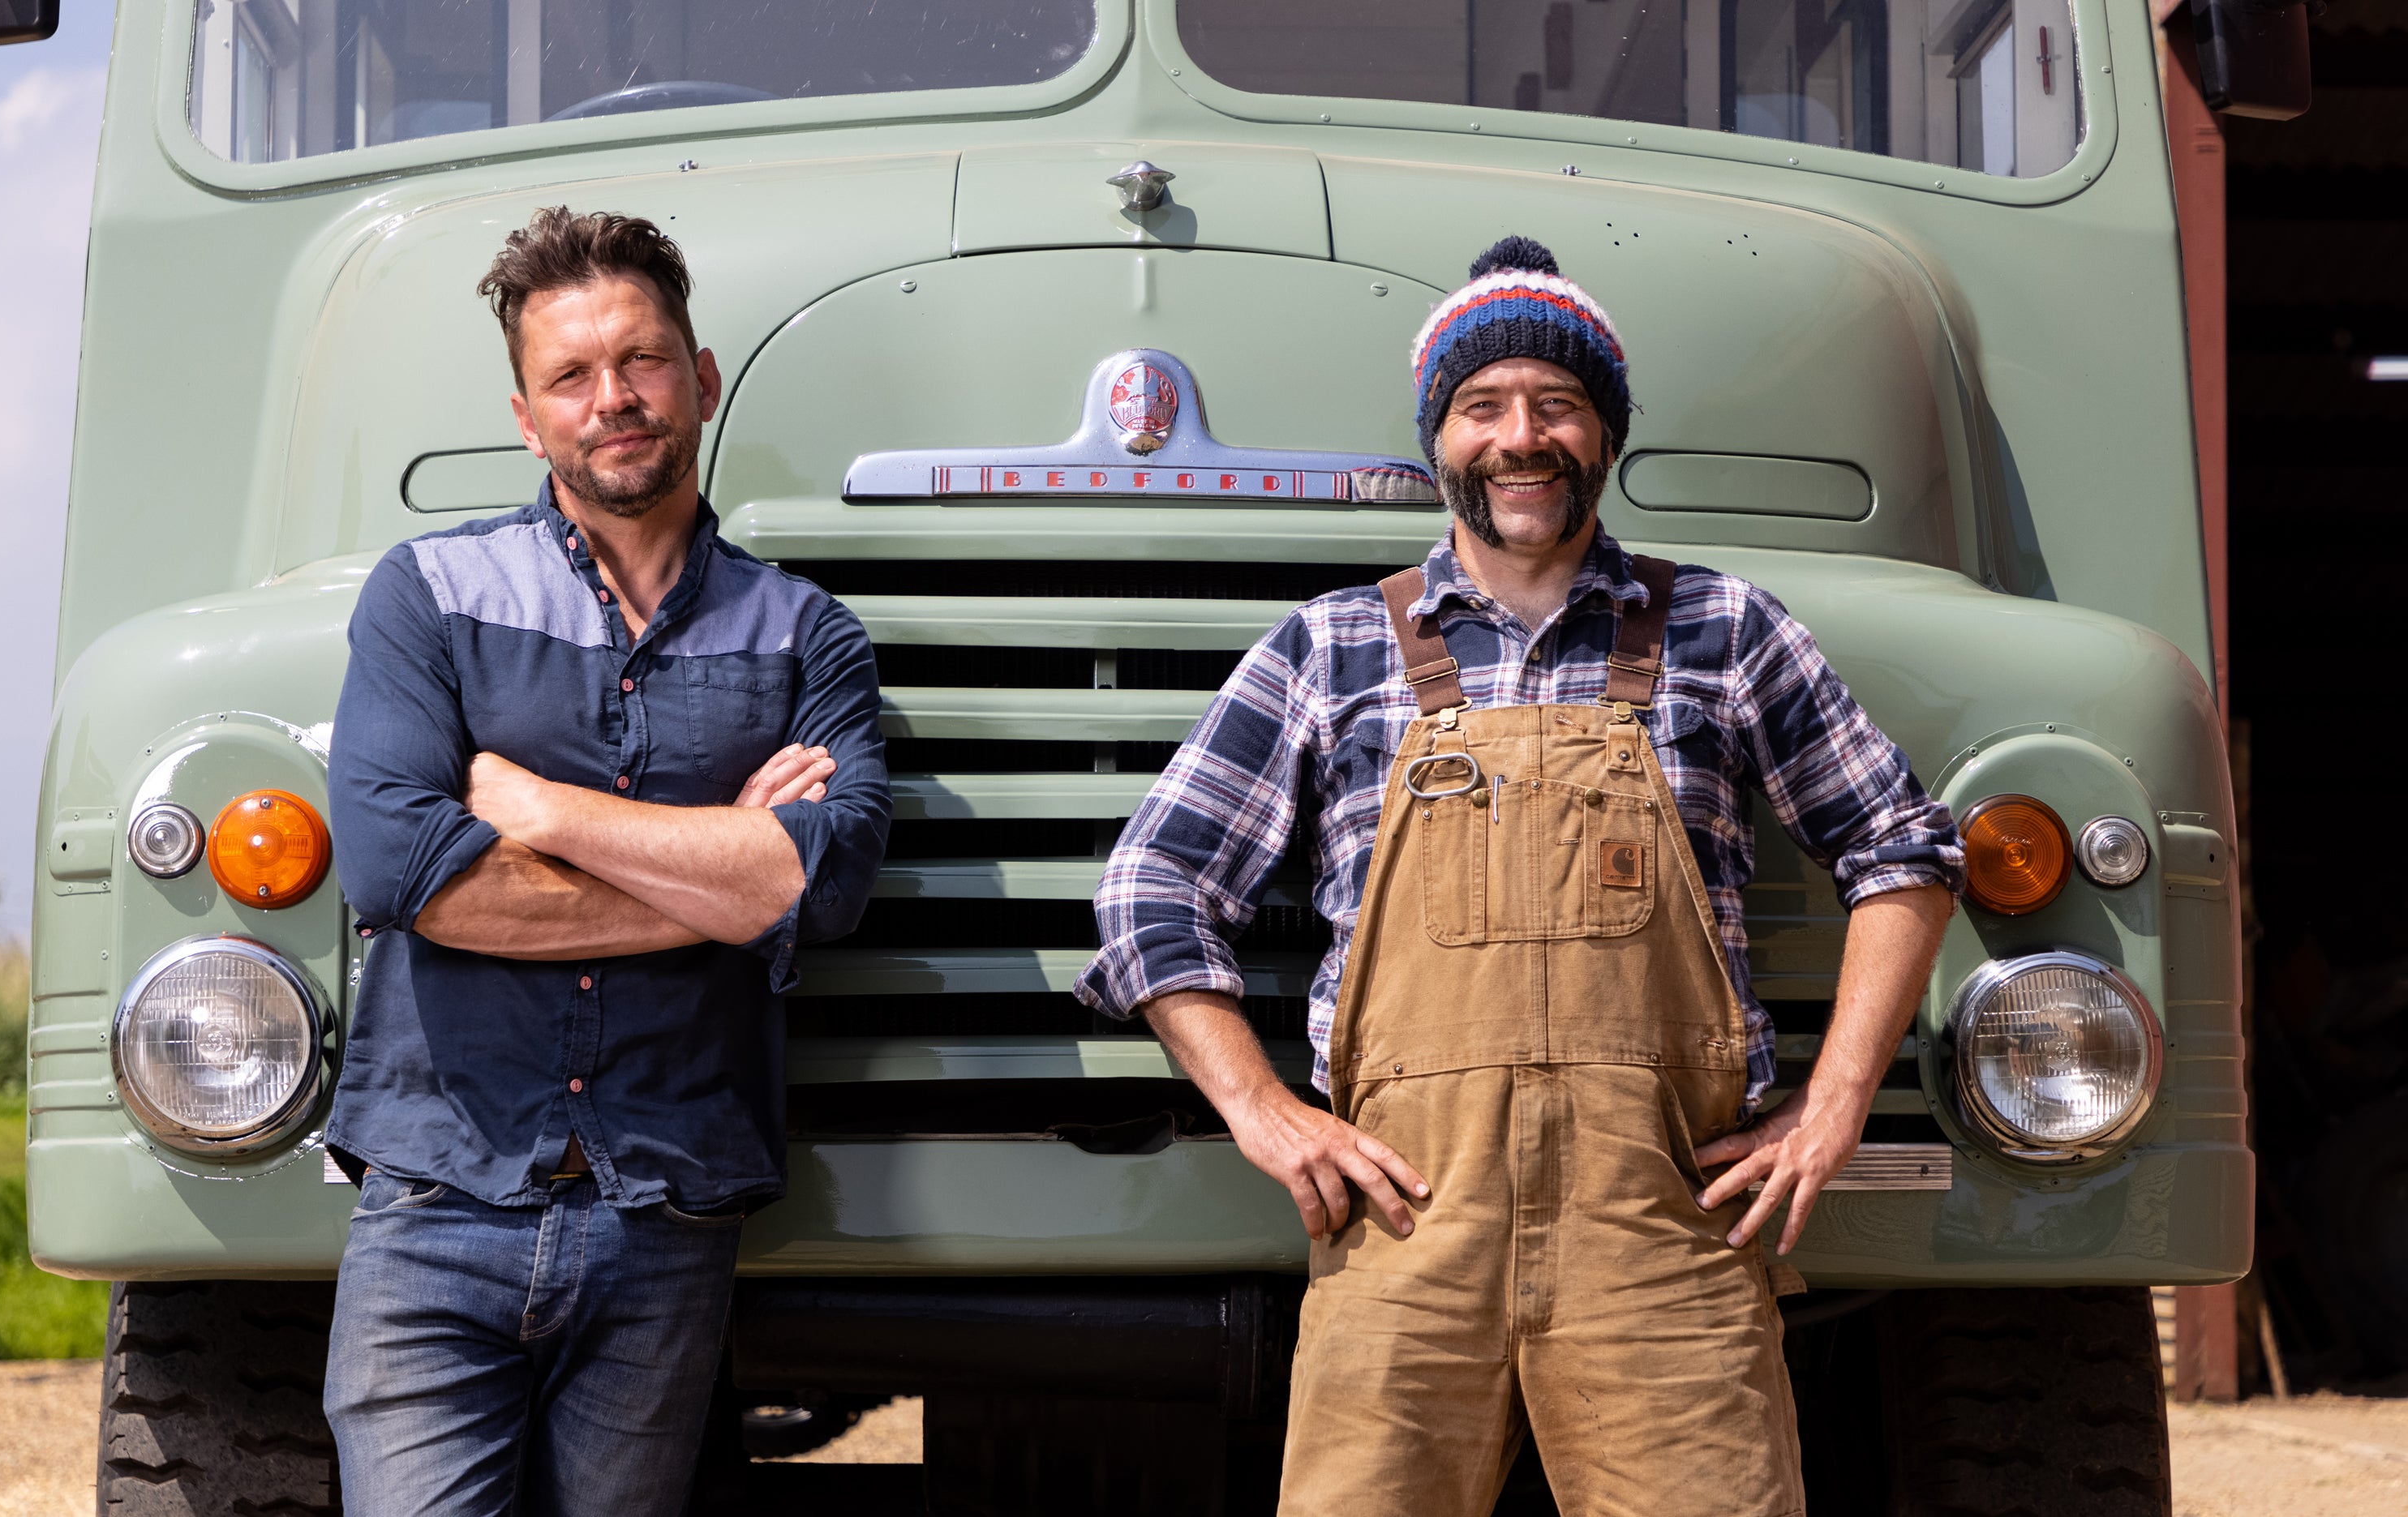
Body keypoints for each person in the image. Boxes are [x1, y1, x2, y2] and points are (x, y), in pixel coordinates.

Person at [1077, 236, 1964, 1515]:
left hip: (1664, 1238)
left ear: (1605, 433)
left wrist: (1833, 1110)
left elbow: (1904, 851)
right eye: (1484, 407)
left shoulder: (1724, 629)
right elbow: (1151, 889)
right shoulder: (1333, 649)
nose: (1520, 437)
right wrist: (1264, 1113)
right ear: (1440, 435)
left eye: (1557, 405)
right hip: (1405, 1239)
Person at [320, 207, 890, 1515]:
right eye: (571, 376)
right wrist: (726, 879)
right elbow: (404, 874)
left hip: (668, 1213)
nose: (612, 399)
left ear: (702, 377)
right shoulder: (429, 595)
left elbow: (829, 878)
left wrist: (545, 811)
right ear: (527, 418)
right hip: (436, 1197)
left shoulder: (807, 633)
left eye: (639, 360)